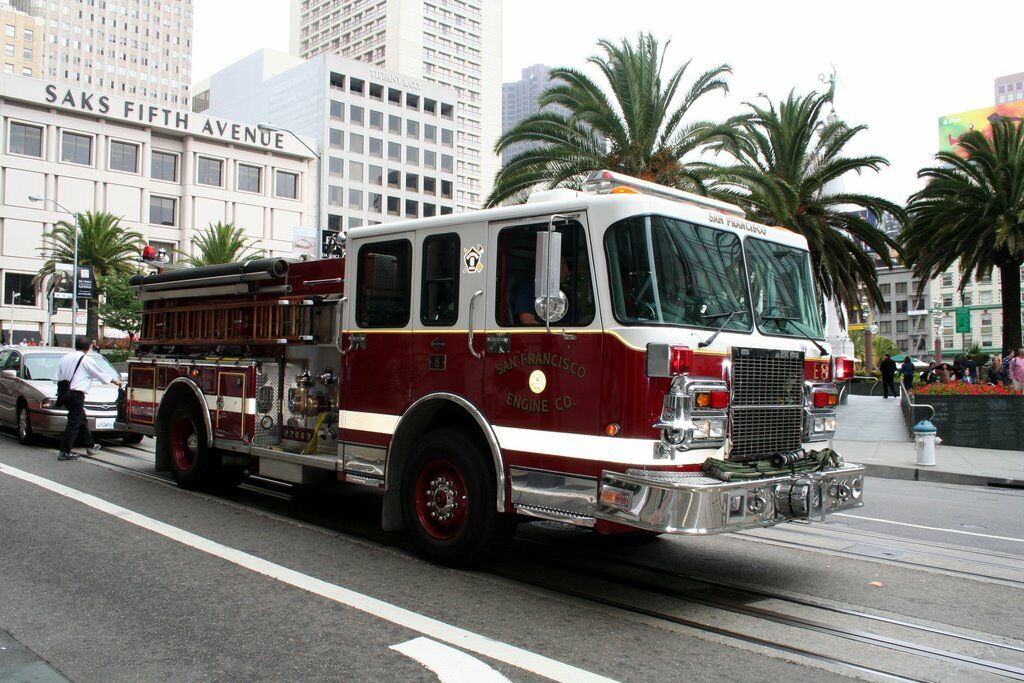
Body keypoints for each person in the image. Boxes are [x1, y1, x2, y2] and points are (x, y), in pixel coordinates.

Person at [55, 337, 123, 461]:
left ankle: (90, 445)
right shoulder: (86, 359)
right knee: (74, 422)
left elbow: (59, 376)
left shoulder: (65, 358)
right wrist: (116, 382)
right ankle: (64, 451)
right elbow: (100, 373)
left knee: (82, 419)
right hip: (77, 394)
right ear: (89, 347)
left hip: (65, 393)